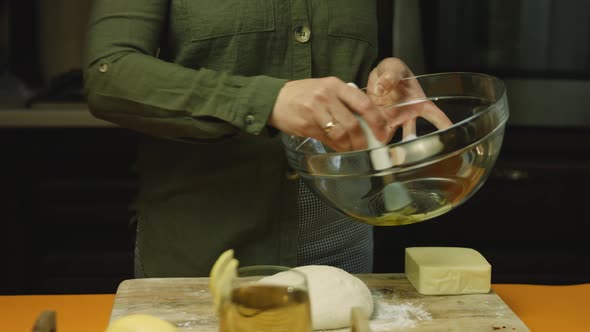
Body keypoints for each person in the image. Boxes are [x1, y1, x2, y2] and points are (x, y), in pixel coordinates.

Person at [83, 0, 450, 278]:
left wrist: (383, 79)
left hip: (343, 256)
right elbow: (109, 74)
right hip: (203, 259)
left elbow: (351, 70)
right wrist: (267, 100)